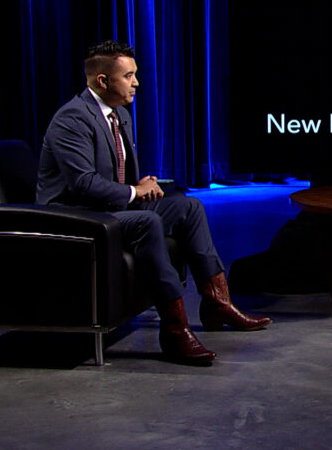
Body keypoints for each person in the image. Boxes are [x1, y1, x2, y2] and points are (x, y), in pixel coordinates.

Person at [37, 40, 271, 365]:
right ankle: (174, 331)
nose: (136, 83)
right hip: (77, 216)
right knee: (148, 222)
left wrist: (139, 187)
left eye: (135, 74)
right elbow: (82, 184)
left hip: (109, 208)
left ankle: (217, 302)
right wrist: (135, 191)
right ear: (102, 81)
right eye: (128, 76)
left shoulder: (119, 114)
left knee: (188, 207)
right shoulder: (72, 120)